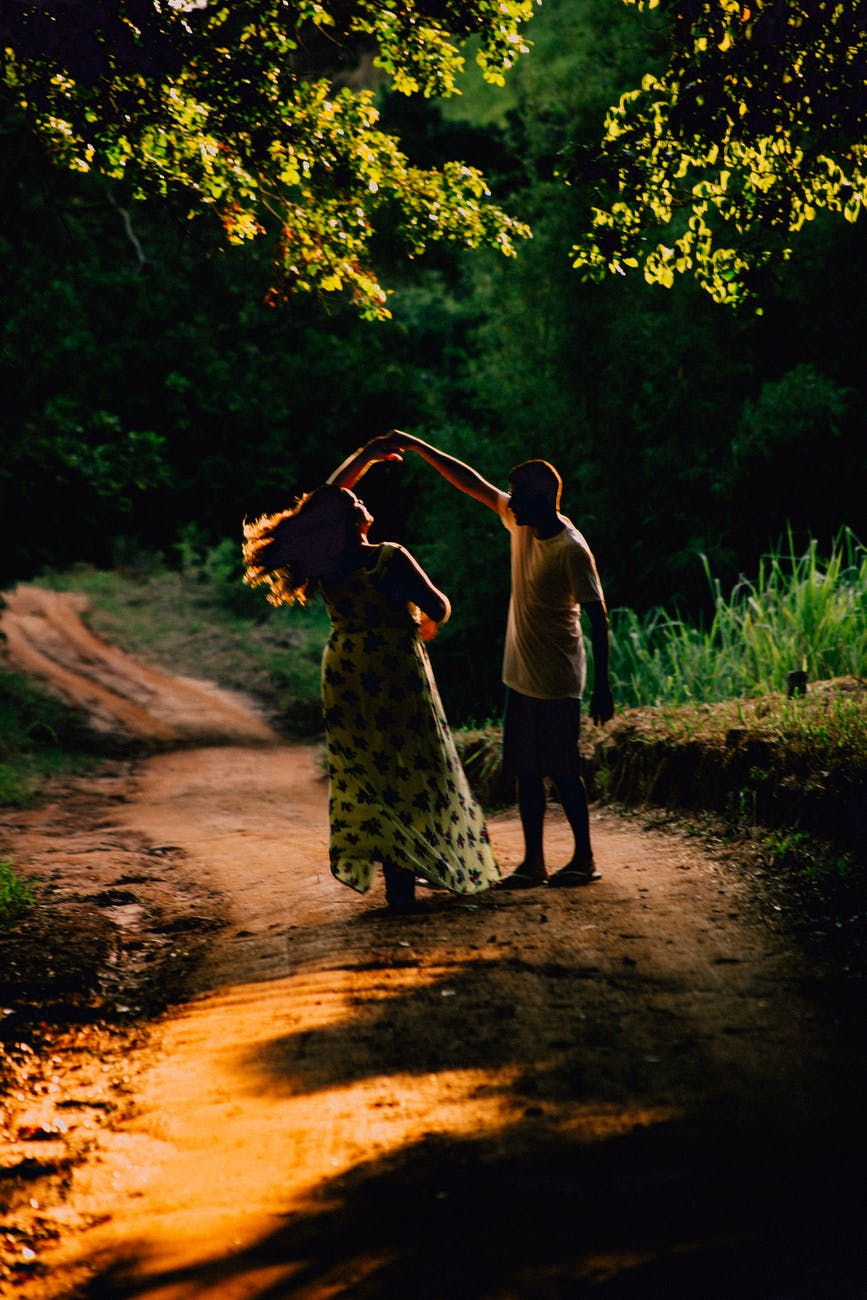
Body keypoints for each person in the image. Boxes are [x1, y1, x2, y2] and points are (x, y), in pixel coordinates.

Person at [241, 442, 500, 914]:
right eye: (356, 501)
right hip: (394, 665)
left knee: (371, 769)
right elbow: (439, 605)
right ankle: (423, 858)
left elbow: (323, 501)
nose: (361, 499)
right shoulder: (390, 557)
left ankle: (398, 875)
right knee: (417, 761)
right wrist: (423, 614)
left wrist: (365, 457)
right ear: (353, 521)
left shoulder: (324, 564)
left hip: (346, 668)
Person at [369, 432, 614, 889]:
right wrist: (419, 448)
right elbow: (471, 482)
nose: (510, 502)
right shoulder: (521, 522)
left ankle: (584, 858)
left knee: (562, 770)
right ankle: (534, 862)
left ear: (542, 500)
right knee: (525, 770)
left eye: (518, 495)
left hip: (559, 678)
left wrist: (602, 686)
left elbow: (598, 616)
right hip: (520, 673)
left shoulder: (571, 549)